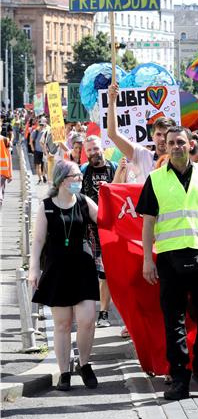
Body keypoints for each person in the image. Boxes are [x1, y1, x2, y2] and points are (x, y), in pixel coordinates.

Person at [136, 126, 198, 400]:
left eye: (181, 142)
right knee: (173, 322)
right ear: (164, 147)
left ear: (190, 144)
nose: (176, 146)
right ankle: (179, 377)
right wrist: (147, 260)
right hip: (168, 260)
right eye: (171, 143)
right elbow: (148, 223)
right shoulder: (154, 179)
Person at [29, 160, 101, 391]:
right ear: (61, 180)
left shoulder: (83, 201)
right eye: (74, 177)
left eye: (80, 177)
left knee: (88, 320)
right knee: (62, 324)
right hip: (57, 268)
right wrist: (33, 268)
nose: (79, 181)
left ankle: (84, 363)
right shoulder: (46, 206)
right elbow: (38, 240)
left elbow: (106, 220)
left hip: (83, 267)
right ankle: (64, 372)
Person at [80, 136, 118, 328]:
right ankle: (91, 311)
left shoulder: (115, 167)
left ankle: (103, 312)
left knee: (107, 272)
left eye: (96, 148)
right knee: (98, 272)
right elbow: (75, 196)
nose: (94, 153)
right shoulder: (83, 171)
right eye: (90, 151)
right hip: (91, 230)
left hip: (114, 227)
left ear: (102, 148)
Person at [106, 83, 176, 184]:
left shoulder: (180, 161)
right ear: (152, 136)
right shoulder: (142, 155)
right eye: (158, 134)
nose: (162, 139)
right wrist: (112, 101)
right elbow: (113, 134)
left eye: (165, 135)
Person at [30, 118, 47, 184]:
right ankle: (40, 179)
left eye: (43, 124)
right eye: (40, 124)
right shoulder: (35, 131)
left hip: (44, 151)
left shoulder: (46, 131)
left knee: (44, 165)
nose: (42, 126)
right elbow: (31, 140)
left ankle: (43, 176)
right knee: (38, 165)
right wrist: (33, 148)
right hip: (37, 151)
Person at [0, 129, 11, 207]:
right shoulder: (5, 140)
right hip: (3, 170)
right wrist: (10, 173)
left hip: (3, 170)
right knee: (1, 187)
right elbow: (9, 156)